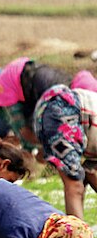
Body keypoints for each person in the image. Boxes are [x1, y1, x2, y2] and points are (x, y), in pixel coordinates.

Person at [32, 83, 97, 219]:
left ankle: (77, 235)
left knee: (78, 181)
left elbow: (91, 170)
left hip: (58, 107)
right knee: (74, 184)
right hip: (63, 109)